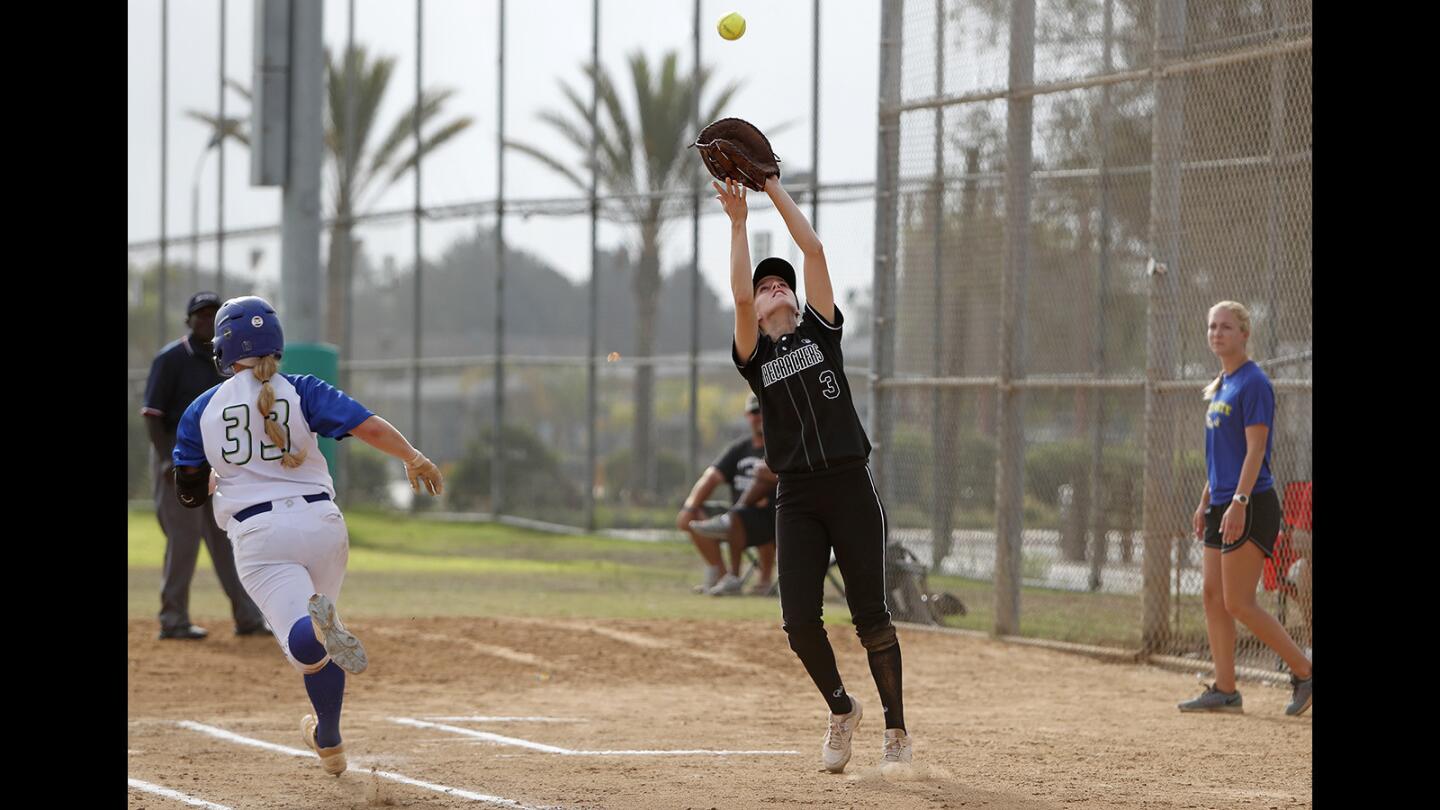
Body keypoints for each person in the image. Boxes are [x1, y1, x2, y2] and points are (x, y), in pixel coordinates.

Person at [172, 296, 444, 775]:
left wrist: (213, 483)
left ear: (224, 348)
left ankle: (317, 632)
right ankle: (330, 741)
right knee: (320, 650)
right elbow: (365, 426)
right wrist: (412, 455)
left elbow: (189, 493)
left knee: (306, 643)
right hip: (324, 526)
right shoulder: (301, 389)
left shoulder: (201, 409)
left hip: (260, 535)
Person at [714, 176, 912, 772]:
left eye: (782, 284)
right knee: (799, 622)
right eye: (766, 283)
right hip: (797, 495)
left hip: (850, 486)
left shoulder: (821, 335)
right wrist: (739, 222)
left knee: (870, 616)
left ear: (798, 301)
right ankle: (841, 708)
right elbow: (742, 301)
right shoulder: (756, 359)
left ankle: (897, 733)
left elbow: (815, 252)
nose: (773, 288)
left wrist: (772, 187)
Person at [1178, 301, 1312, 717]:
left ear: (1244, 334)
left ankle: (1305, 671)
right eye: (1212, 326)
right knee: (1213, 596)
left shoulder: (1253, 383)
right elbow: (1223, 456)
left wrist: (1236, 502)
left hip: (1250, 503)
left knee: (1239, 601)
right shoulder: (1222, 383)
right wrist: (1206, 501)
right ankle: (1225, 689)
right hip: (1221, 502)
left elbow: (1255, 452)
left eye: (1227, 327)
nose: (1217, 333)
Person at [142, 291, 267, 640]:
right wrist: (168, 458)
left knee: (230, 536)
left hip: (219, 458)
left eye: (212, 314)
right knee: (184, 539)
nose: (205, 319)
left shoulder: (229, 359)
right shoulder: (171, 359)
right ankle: (173, 620)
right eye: (200, 314)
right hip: (178, 457)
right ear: (188, 320)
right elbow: (153, 416)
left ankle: (248, 617)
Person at [676, 394, 778, 596]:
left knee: (748, 512)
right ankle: (724, 577)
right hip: (740, 515)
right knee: (691, 516)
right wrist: (691, 506)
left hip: (772, 516)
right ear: (747, 416)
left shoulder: (781, 445)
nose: (760, 416)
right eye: (755, 412)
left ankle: (762, 580)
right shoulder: (740, 449)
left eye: (764, 411)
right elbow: (711, 477)